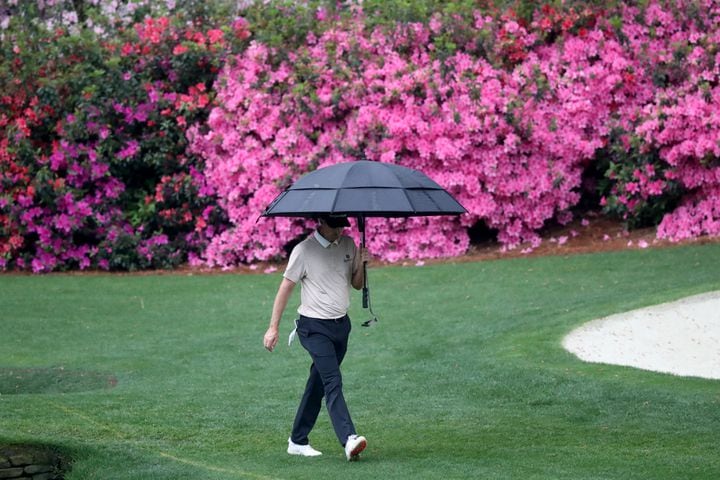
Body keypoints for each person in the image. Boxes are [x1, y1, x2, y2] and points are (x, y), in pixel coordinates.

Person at [263, 214, 369, 461]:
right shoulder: (303, 251)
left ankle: (297, 441)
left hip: (341, 326)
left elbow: (356, 284)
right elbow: (285, 289)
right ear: (320, 221)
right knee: (333, 380)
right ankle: (349, 438)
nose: (340, 229)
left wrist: (363, 264)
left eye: (343, 224)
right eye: (335, 225)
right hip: (313, 328)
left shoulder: (348, 245)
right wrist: (273, 328)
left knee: (318, 384)